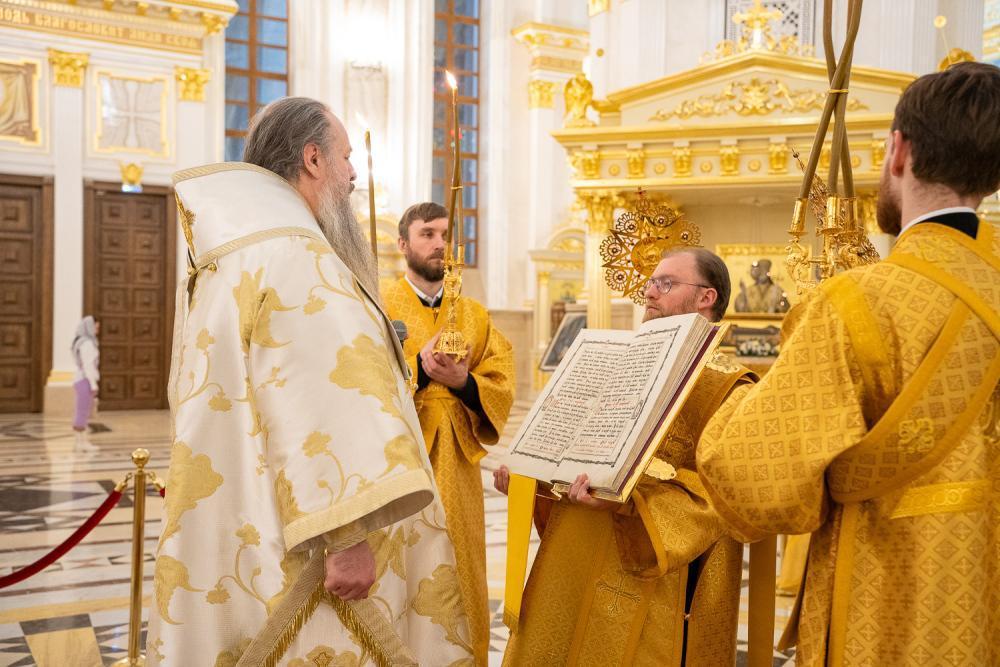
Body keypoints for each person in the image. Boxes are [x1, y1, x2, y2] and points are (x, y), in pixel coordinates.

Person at [147, 98, 473, 666]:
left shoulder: (228, 259)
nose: (354, 175)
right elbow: (321, 401)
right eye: (345, 158)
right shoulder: (299, 258)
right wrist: (347, 539)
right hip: (309, 541)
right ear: (313, 159)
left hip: (250, 514)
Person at [697, 62, 1000, 666]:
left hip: (890, 596)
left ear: (898, 151)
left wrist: (728, 394)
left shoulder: (854, 303)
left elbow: (754, 483)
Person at [497, 248, 757, 666]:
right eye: (650, 283)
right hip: (575, 552)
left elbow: (726, 493)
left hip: (653, 572)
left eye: (666, 283)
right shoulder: (616, 363)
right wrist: (533, 478)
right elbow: (573, 448)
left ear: (706, 297)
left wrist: (631, 504)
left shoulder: (730, 390)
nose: (650, 293)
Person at [381, 202, 515, 664]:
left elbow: (501, 378)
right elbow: (360, 374)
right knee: (400, 558)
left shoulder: (474, 313)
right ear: (403, 244)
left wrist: (463, 382)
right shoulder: (378, 304)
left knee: (459, 556)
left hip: (457, 461)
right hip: (398, 454)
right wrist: (419, 369)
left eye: (445, 235)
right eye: (427, 234)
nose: (440, 244)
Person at [71, 316, 100, 452]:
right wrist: (93, 384)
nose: (97, 330)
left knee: (82, 411)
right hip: (85, 380)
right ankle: (81, 443)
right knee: (82, 412)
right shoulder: (87, 343)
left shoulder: (80, 342)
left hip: (81, 379)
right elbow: (88, 365)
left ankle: (80, 442)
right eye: (96, 327)